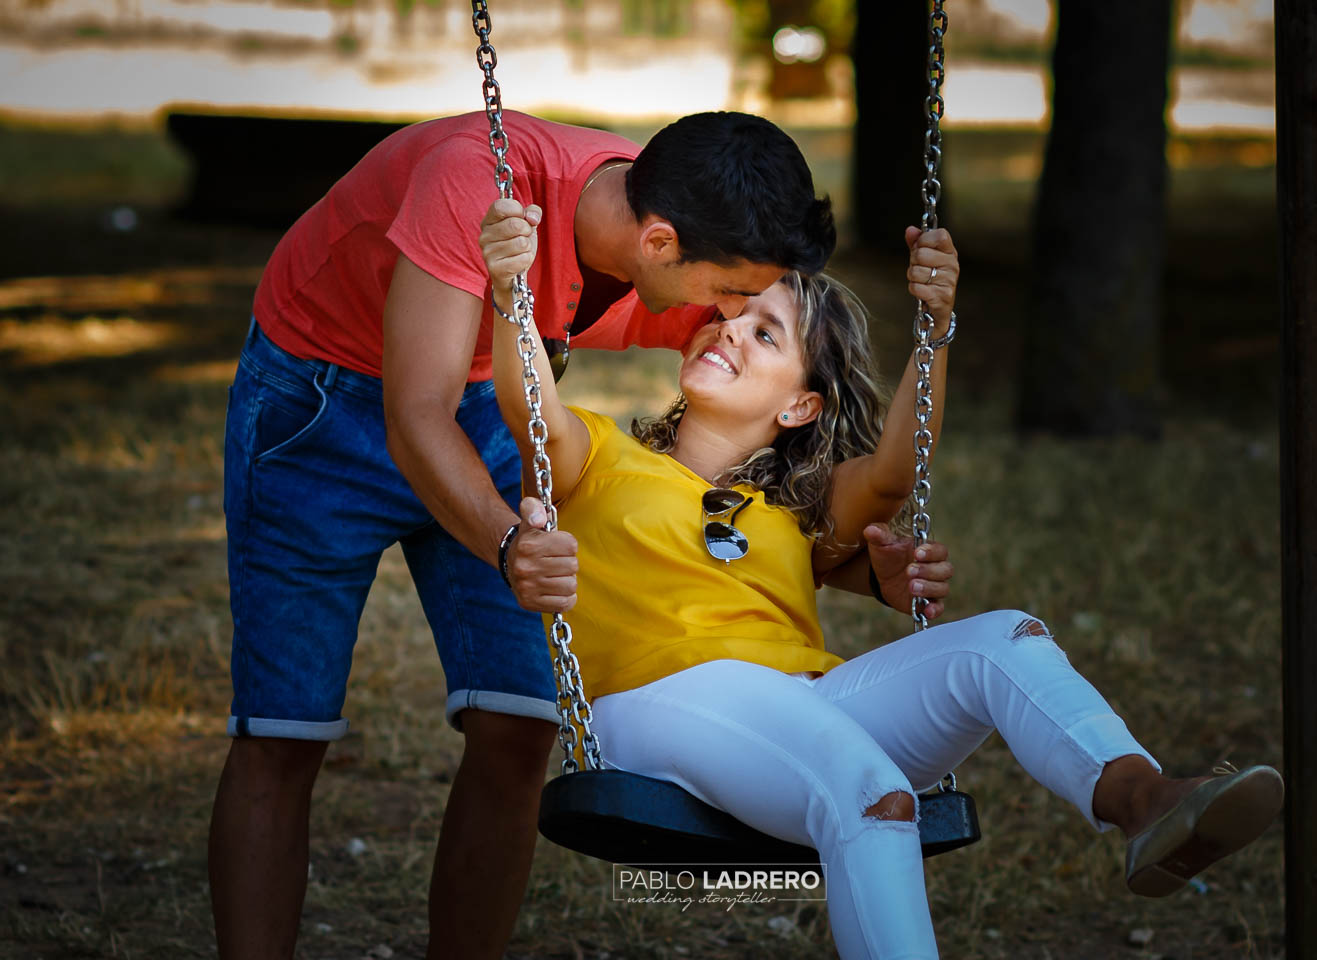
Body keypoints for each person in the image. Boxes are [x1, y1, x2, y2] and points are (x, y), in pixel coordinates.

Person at [209, 109, 942, 960]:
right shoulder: (476, 183)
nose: (738, 315)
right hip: (318, 405)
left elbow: (741, 454)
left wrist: (855, 568)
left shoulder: (676, 232)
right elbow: (416, 418)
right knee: (283, 733)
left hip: (485, 397)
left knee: (521, 724)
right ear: (660, 245)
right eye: (733, 293)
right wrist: (507, 543)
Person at [480, 197, 1287, 960]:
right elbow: (530, 406)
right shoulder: (600, 457)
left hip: (795, 709)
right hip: (653, 707)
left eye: (765, 335)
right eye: (730, 316)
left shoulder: (793, 513)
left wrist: (933, 328)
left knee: (1003, 639)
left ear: (799, 406)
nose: (729, 333)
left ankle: (1143, 802)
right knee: (871, 792)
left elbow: (896, 471)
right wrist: (512, 287)